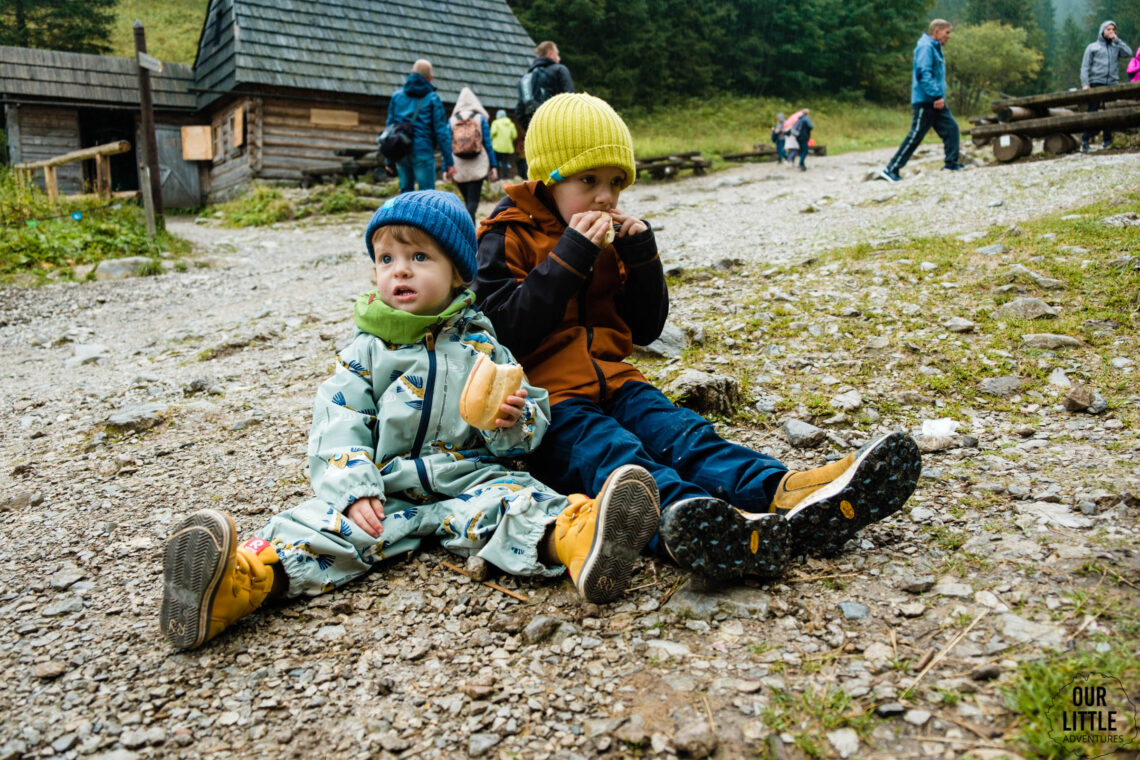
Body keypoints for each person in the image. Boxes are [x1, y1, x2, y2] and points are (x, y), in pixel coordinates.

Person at [159, 190, 661, 651]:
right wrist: (354, 488)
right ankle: (234, 585)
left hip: (472, 478)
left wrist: (510, 422)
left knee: (520, 503)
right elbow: (339, 419)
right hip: (385, 490)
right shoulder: (365, 351)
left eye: (419, 257)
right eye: (387, 259)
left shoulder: (485, 346)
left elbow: (528, 422)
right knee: (315, 528)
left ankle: (581, 540)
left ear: (459, 274)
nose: (400, 271)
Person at [474, 93, 923, 583]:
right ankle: (694, 520)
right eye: (590, 181)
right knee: (615, 455)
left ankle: (787, 493)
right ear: (549, 177)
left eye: (616, 183)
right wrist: (568, 256)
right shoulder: (506, 235)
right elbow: (504, 330)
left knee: (685, 435)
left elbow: (645, 328)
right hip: (549, 405)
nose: (606, 197)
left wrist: (641, 253)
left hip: (618, 382)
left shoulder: (609, 239)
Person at [877, 19, 963, 182]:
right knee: (915, 135)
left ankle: (951, 163)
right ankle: (891, 169)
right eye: (947, 32)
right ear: (936, 31)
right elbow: (923, 73)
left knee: (951, 129)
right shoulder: (926, 47)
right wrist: (935, 95)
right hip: (927, 100)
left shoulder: (935, 48)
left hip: (936, 101)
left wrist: (938, 97)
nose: (949, 36)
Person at [386, 59, 454, 193]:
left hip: (401, 150)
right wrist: (449, 161)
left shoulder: (396, 97)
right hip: (422, 150)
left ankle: (405, 214)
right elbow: (441, 132)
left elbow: (389, 130)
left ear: (412, 73)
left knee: (405, 194)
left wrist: (389, 159)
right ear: (431, 78)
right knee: (427, 194)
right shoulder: (433, 98)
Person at [515, 40, 575, 177]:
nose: (559, 58)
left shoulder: (526, 79)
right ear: (550, 53)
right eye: (557, 54)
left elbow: (519, 111)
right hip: (560, 132)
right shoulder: (560, 70)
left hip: (537, 135)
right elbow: (571, 100)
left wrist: (531, 130)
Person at [1080, 20, 1133, 151]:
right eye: (1108, 29)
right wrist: (1085, 84)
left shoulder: (1116, 46)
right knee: (1092, 112)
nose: (1111, 32)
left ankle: (1107, 142)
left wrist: (1117, 40)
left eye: (1113, 29)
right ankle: (1085, 141)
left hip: (1112, 84)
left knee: (1109, 112)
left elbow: (1129, 53)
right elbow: (1085, 67)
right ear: (1102, 31)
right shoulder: (1092, 47)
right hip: (1096, 83)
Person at [448, 87, 498, 222]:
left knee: (466, 200)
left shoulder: (452, 120)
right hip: (478, 164)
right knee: (473, 201)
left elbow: (448, 144)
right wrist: (493, 165)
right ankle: (470, 226)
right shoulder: (480, 118)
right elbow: (487, 143)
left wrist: (446, 167)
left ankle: (467, 226)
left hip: (459, 165)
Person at [491, 109, 518, 179]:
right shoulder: (511, 124)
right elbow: (514, 135)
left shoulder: (495, 123)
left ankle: (496, 177)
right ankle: (505, 177)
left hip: (496, 147)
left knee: (496, 162)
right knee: (505, 163)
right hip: (507, 147)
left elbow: (492, 133)